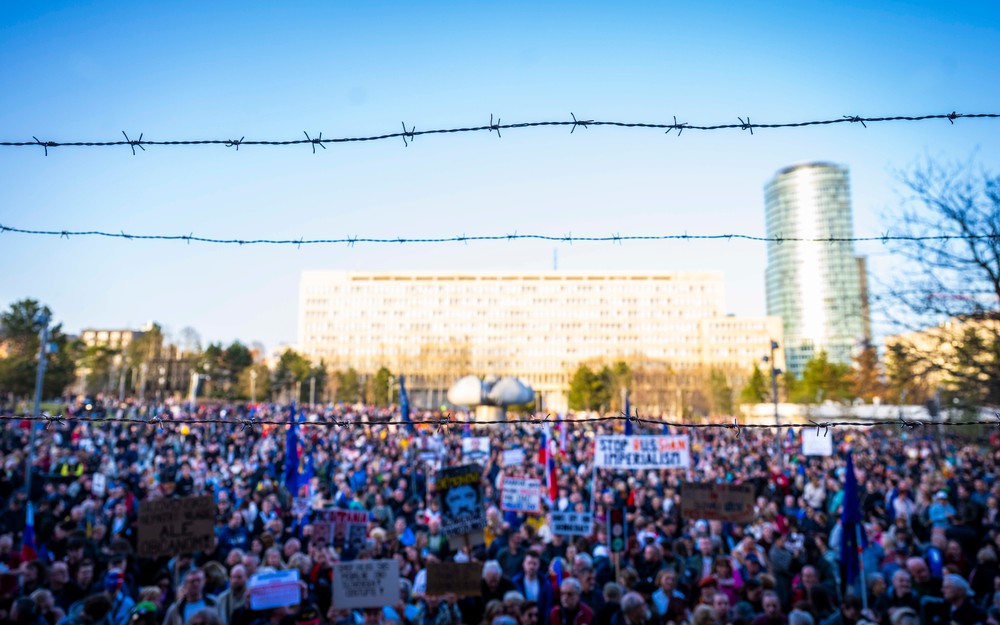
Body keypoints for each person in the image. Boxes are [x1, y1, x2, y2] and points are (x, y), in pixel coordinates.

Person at [514, 551, 555, 625]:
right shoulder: (516, 582)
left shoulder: (546, 584)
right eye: (529, 563)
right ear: (524, 564)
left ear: (539, 565)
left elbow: (548, 606)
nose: (532, 566)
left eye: (534, 564)